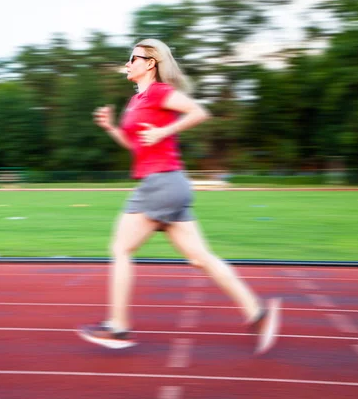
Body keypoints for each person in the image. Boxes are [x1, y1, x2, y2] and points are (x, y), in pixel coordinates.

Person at [77, 39, 281, 355]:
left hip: (160, 184)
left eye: (133, 58)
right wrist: (110, 128)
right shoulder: (136, 101)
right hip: (168, 183)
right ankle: (258, 313)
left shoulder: (157, 92)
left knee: (120, 247)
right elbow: (136, 147)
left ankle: (118, 326)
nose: (128, 63)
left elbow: (199, 112)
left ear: (150, 63)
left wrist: (162, 132)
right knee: (200, 257)